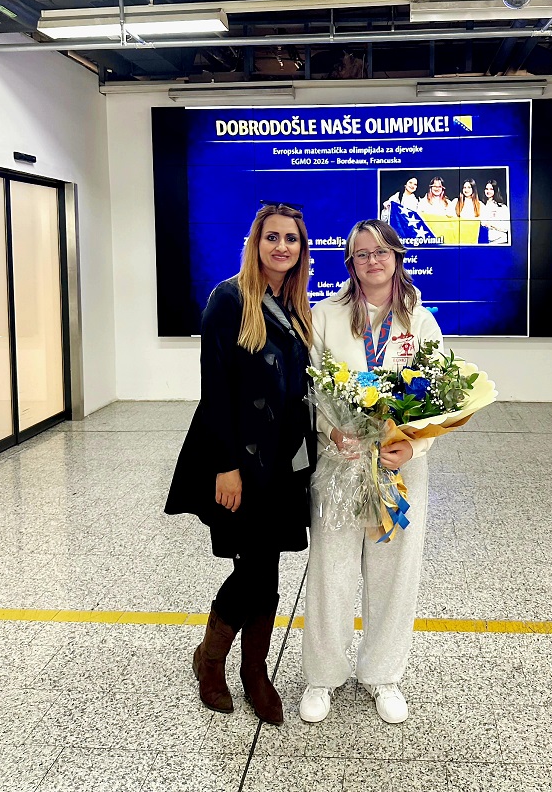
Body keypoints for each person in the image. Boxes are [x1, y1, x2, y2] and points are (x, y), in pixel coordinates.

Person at [165, 203, 314, 727]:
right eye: (272, 237)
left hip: (284, 465)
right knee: (253, 570)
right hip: (241, 464)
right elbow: (215, 391)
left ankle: (254, 671)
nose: (281, 246)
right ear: (256, 242)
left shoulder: (295, 304)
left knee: (265, 570)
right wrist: (225, 466)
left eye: (291, 239)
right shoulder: (228, 299)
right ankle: (211, 662)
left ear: (301, 249)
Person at [299, 219, 443, 726]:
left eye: (381, 251)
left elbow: (440, 398)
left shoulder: (420, 322)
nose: (372, 261)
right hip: (340, 464)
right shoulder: (325, 315)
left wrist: (413, 446)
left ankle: (383, 674)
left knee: (394, 573)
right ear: (351, 264)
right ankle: (323, 675)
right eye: (362, 254)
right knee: (331, 571)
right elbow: (310, 388)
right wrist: (331, 430)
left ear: (397, 257)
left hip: (398, 469)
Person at [480, 179, 511, 243]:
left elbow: (506, 227)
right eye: (486, 189)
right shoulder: (482, 206)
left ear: (495, 190)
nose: (488, 191)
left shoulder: (502, 207)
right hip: (486, 241)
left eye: (491, 189)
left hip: (500, 241)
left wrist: (491, 224)